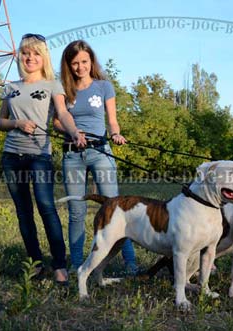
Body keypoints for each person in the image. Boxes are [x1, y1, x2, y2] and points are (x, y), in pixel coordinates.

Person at [0, 33, 85, 285]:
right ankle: (35, 263)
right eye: (26, 53)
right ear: (20, 57)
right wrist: (17, 122)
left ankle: (59, 265)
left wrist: (74, 132)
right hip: (11, 157)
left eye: (36, 53)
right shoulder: (11, 87)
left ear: (43, 57)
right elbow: (1, 121)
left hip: (39, 157)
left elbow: (63, 114)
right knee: (23, 212)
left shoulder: (51, 85)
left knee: (46, 207)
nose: (30, 58)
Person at [54, 39, 138, 275]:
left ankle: (130, 263)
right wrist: (72, 131)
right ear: (68, 65)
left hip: (100, 152)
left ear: (91, 61)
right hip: (72, 155)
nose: (80, 67)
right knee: (77, 211)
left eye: (84, 62)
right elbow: (57, 121)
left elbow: (112, 119)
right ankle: (77, 263)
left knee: (115, 209)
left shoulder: (103, 87)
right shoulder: (62, 89)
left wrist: (116, 134)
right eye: (75, 63)